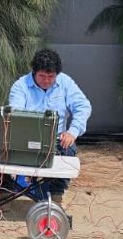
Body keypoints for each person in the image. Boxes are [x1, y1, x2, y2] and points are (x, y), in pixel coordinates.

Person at [5, 48, 92, 200]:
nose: (46, 80)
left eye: (51, 76)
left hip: (56, 139)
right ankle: (5, 184)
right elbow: (15, 114)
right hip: (25, 139)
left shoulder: (65, 82)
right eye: (42, 76)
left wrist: (73, 131)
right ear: (34, 72)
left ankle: (57, 189)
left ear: (57, 74)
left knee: (69, 149)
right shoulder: (21, 86)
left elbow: (83, 106)